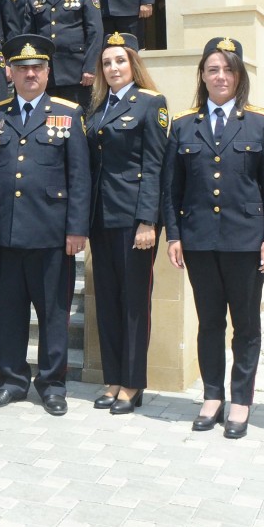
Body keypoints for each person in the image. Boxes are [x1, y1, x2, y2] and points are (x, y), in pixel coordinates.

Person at [164, 37, 264, 439]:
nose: (221, 76)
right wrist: (174, 236)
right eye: (213, 69)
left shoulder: (262, 122)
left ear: (240, 75)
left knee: (245, 325)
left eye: (229, 69)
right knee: (210, 321)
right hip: (199, 240)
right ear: (202, 74)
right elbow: (171, 189)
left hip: (246, 241)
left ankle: (242, 400)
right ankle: (212, 396)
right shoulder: (182, 125)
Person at [0, 36, 90, 415]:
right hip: (7, 235)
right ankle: (12, 381)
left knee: (53, 313)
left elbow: (79, 177)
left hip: (51, 235)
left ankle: (52, 384)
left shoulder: (68, 113)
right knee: (8, 313)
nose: (30, 73)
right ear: (10, 73)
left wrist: (77, 229)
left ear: (48, 72)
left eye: (38, 68)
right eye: (22, 68)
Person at [85, 32, 168, 415]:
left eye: (120, 61)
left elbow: (155, 166)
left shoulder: (151, 103)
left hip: (134, 220)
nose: (113, 68)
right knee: (108, 302)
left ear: (133, 65)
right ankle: (113, 377)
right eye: (106, 62)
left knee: (134, 302)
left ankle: (132, 383)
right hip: (101, 217)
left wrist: (148, 220)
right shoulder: (98, 106)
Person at [13, 0, 102, 111]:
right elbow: (29, 36)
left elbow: (95, 32)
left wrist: (90, 67)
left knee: (78, 118)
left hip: (77, 72)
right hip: (47, 74)